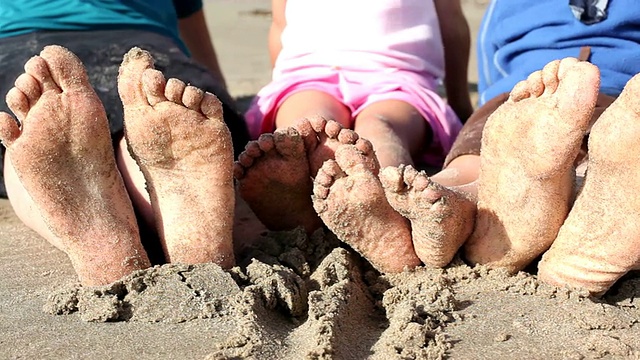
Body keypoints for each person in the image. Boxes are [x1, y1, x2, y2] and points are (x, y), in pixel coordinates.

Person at [313, 0, 640, 296]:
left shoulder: (509, 8)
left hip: (523, 94)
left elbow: (489, 60)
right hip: (612, 97)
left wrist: (473, 105)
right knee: (593, 160)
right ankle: (591, 219)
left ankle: (459, 206)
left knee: (479, 161)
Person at [0, 1, 249, 286]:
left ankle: (99, 241)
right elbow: (194, 29)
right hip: (150, 42)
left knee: (32, 136)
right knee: (160, 116)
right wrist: (218, 92)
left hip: (19, 43)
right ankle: (182, 225)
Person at [234, 0, 473, 245]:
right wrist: (460, 104)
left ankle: (377, 203)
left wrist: (460, 102)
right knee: (324, 127)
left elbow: (451, 24)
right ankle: (323, 192)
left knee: (355, 127)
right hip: (317, 75)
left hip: (392, 78)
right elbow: (280, 25)